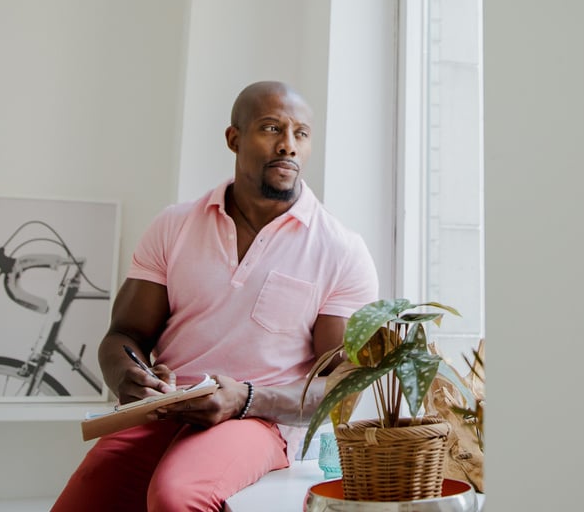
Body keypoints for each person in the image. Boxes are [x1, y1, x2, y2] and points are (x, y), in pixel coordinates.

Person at [51, 81, 379, 512]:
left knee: (176, 496)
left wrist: (244, 398)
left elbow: (342, 387)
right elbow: (123, 334)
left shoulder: (340, 249)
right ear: (234, 138)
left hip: (258, 421)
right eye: (270, 129)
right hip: (163, 411)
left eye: (301, 134)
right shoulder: (174, 226)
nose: (288, 146)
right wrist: (128, 375)